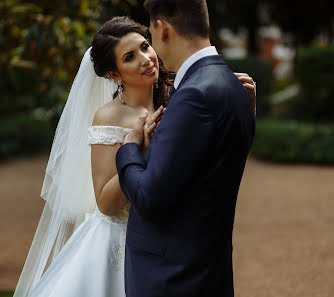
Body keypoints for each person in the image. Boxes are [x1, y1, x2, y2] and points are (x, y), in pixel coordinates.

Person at [13, 16, 256, 297]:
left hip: (171, 238)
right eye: (130, 57)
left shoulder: (178, 98)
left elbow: (216, 159)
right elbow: (105, 202)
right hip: (119, 246)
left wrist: (244, 108)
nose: (145, 58)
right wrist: (140, 150)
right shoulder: (109, 116)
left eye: (144, 46)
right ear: (115, 74)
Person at [115, 1, 256, 297]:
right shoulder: (232, 85)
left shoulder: (194, 95)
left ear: (162, 29)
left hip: (174, 279)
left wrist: (129, 149)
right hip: (207, 272)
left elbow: (149, 199)